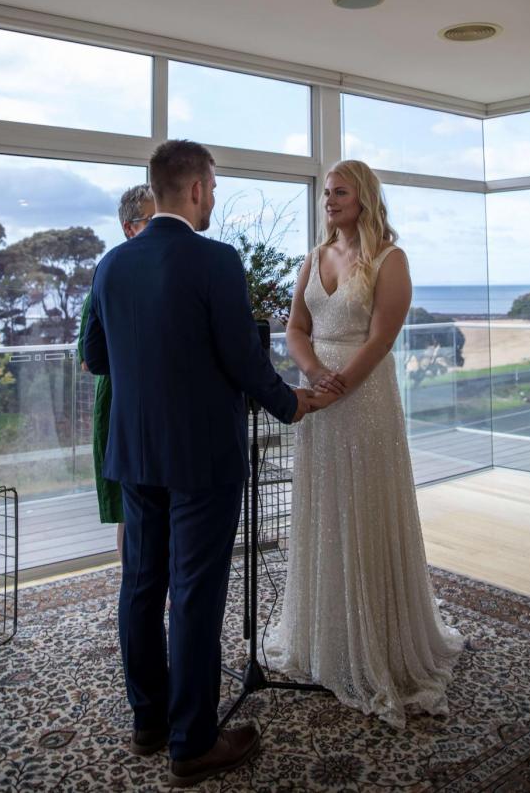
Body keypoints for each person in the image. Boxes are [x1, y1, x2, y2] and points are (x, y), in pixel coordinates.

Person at [83, 139, 316, 788]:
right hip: (204, 457)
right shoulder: (216, 260)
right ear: (193, 188)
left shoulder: (111, 265)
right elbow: (244, 360)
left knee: (141, 583)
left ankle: (149, 721)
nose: (213, 197)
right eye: (212, 186)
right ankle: (192, 742)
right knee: (193, 594)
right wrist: (290, 404)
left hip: (133, 451)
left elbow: (99, 359)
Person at [266, 159, 464, 729]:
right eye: (326, 191)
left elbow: (382, 337)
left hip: (365, 402)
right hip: (318, 401)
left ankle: (377, 643)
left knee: (364, 511)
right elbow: (295, 327)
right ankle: (324, 639)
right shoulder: (314, 256)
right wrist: (313, 376)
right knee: (325, 512)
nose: (329, 200)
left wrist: (339, 385)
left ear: (364, 197)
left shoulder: (388, 259)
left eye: (340, 191)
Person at [77, 183, 155, 559]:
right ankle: (134, 583)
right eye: (152, 220)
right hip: (121, 400)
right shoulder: (108, 276)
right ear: (129, 227)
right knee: (131, 507)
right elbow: (88, 357)